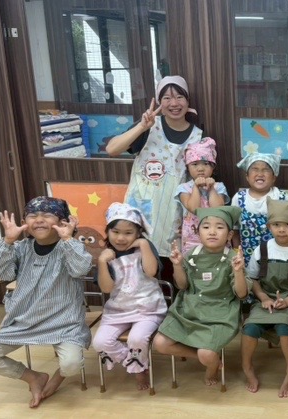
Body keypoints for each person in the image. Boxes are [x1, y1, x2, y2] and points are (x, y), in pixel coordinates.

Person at [0, 197, 92, 408]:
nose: (39, 220)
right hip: (23, 321)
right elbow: (0, 271)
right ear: (25, 222)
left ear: (63, 221)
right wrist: (7, 241)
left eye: (47, 215)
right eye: (32, 215)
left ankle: (57, 378)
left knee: (72, 364)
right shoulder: (21, 248)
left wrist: (68, 239)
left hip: (64, 322)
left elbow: (81, 269)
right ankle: (33, 377)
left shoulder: (69, 247)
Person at [106, 75, 203, 258]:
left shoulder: (198, 136)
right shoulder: (149, 126)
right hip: (141, 209)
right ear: (159, 102)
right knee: (138, 257)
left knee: (169, 261)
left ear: (187, 100)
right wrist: (141, 127)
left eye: (179, 97)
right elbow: (112, 149)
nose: (174, 103)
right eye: (167, 98)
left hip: (173, 212)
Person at [152, 206, 250, 386]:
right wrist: (177, 265)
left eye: (219, 227)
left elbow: (241, 294)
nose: (212, 232)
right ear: (198, 233)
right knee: (160, 343)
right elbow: (182, 286)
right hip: (189, 311)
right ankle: (208, 358)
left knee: (206, 354)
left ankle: (211, 367)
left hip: (220, 314)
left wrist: (238, 271)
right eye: (206, 227)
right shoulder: (190, 256)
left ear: (229, 235)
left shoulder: (233, 259)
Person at [241, 198, 288, 398]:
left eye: (287, 224)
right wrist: (263, 297)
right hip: (265, 298)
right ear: (269, 227)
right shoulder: (262, 249)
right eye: (276, 225)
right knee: (250, 327)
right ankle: (247, 368)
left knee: (285, 326)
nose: (281, 230)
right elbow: (253, 279)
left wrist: (287, 302)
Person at [92, 203, 167, 390]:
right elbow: (106, 288)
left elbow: (151, 272)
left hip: (148, 309)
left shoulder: (144, 247)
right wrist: (102, 261)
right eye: (116, 232)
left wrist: (144, 245)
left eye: (128, 233)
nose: (121, 238)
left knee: (137, 338)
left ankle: (138, 369)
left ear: (138, 233)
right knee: (99, 342)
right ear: (107, 231)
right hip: (117, 311)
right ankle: (135, 361)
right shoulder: (107, 255)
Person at [231, 153, 288, 265]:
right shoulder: (238, 198)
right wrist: (237, 252)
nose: (260, 174)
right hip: (247, 257)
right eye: (255, 169)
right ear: (247, 177)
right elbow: (235, 231)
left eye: (266, 170)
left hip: (276, 258)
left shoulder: (283, 198)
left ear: (274, 177)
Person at [176, 137, 229, 254]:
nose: (200, 168)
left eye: (206, 164)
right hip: (192, 238)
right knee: (192, 262)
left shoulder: (219, 187)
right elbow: (194, 208)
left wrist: (211, 189)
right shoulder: (184, 188)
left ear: (213, 166)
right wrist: (195, 187)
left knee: (216, 262)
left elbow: (218, 209)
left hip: (215, 237)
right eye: (194, 164)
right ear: (187, 167)